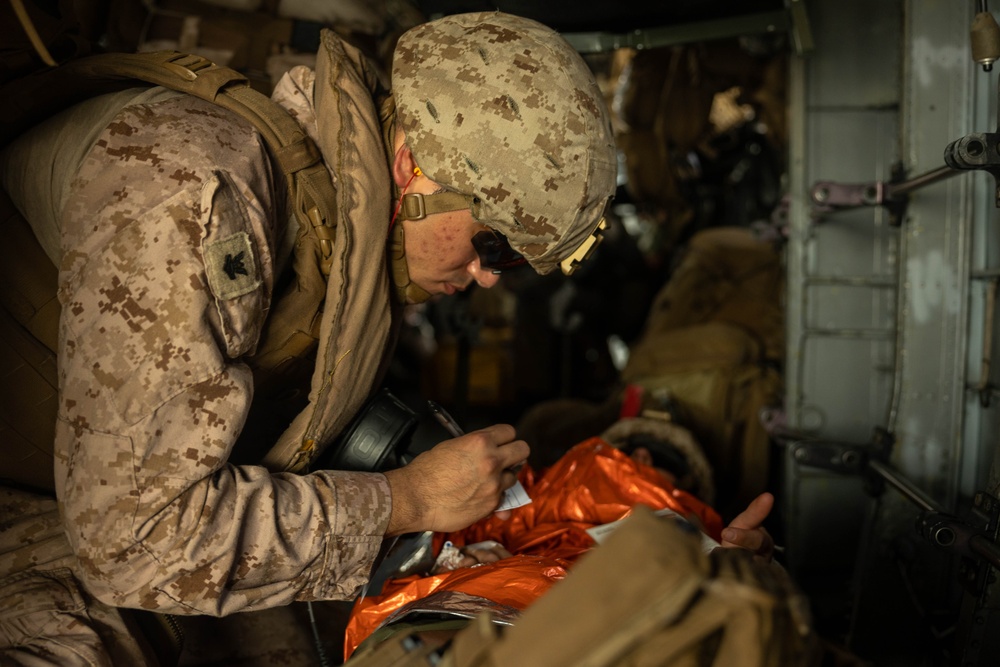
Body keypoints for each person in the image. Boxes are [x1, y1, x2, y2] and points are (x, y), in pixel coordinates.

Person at [0, 10, 616, 665]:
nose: (488, 275)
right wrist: (407, 499)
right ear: (412, 167)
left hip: (83, 498)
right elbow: (132, 543)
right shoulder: (197, 193)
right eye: (492, 243)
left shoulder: (340, 237)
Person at [343, 417, 778, 661]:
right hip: (486, 623)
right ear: (640, 457)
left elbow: (413, 551)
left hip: (454, 623)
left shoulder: (524, 491)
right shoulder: (572, 482)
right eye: (676, 479)